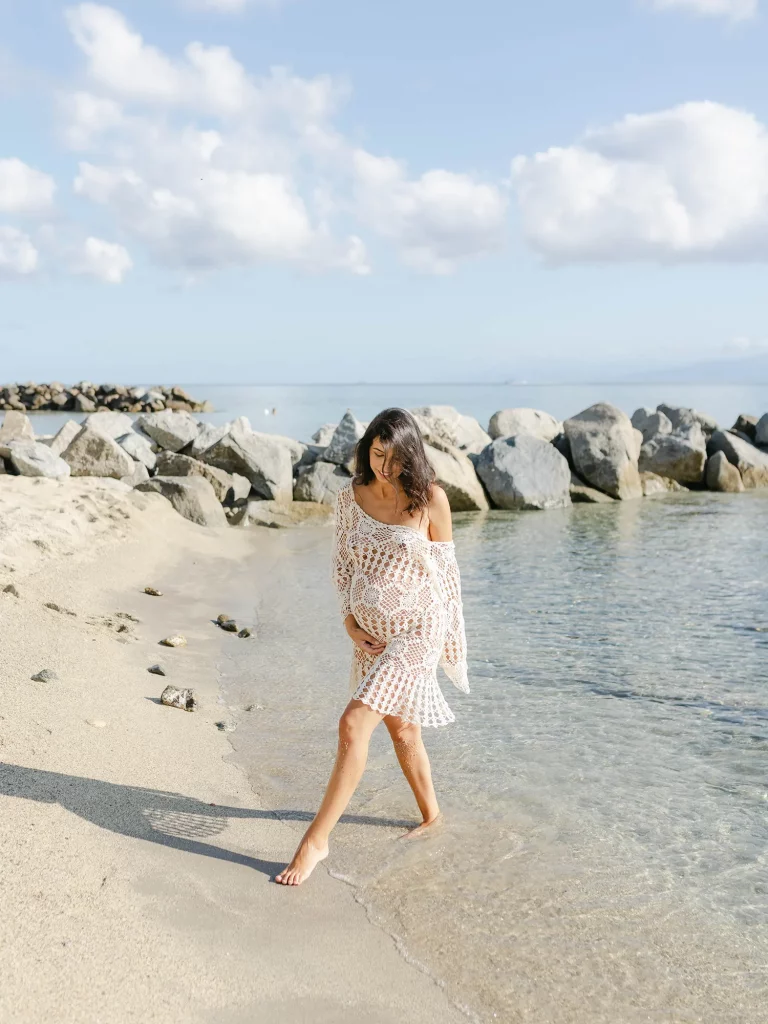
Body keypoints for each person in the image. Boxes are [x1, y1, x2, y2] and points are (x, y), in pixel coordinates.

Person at [275, 407, 470, 886]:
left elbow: (447, 580)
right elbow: (342, 562)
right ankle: (433, 817)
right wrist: (348, 619)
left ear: (412, 456)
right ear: (366, 450)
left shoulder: (430, 501)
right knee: (403, 731)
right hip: (370, 635)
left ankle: (314, 842)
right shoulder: (351, 496)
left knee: (352, 722)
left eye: (396, 458)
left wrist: (449, 646)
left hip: (417, 632)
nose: (385, 467)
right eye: (377, 454)